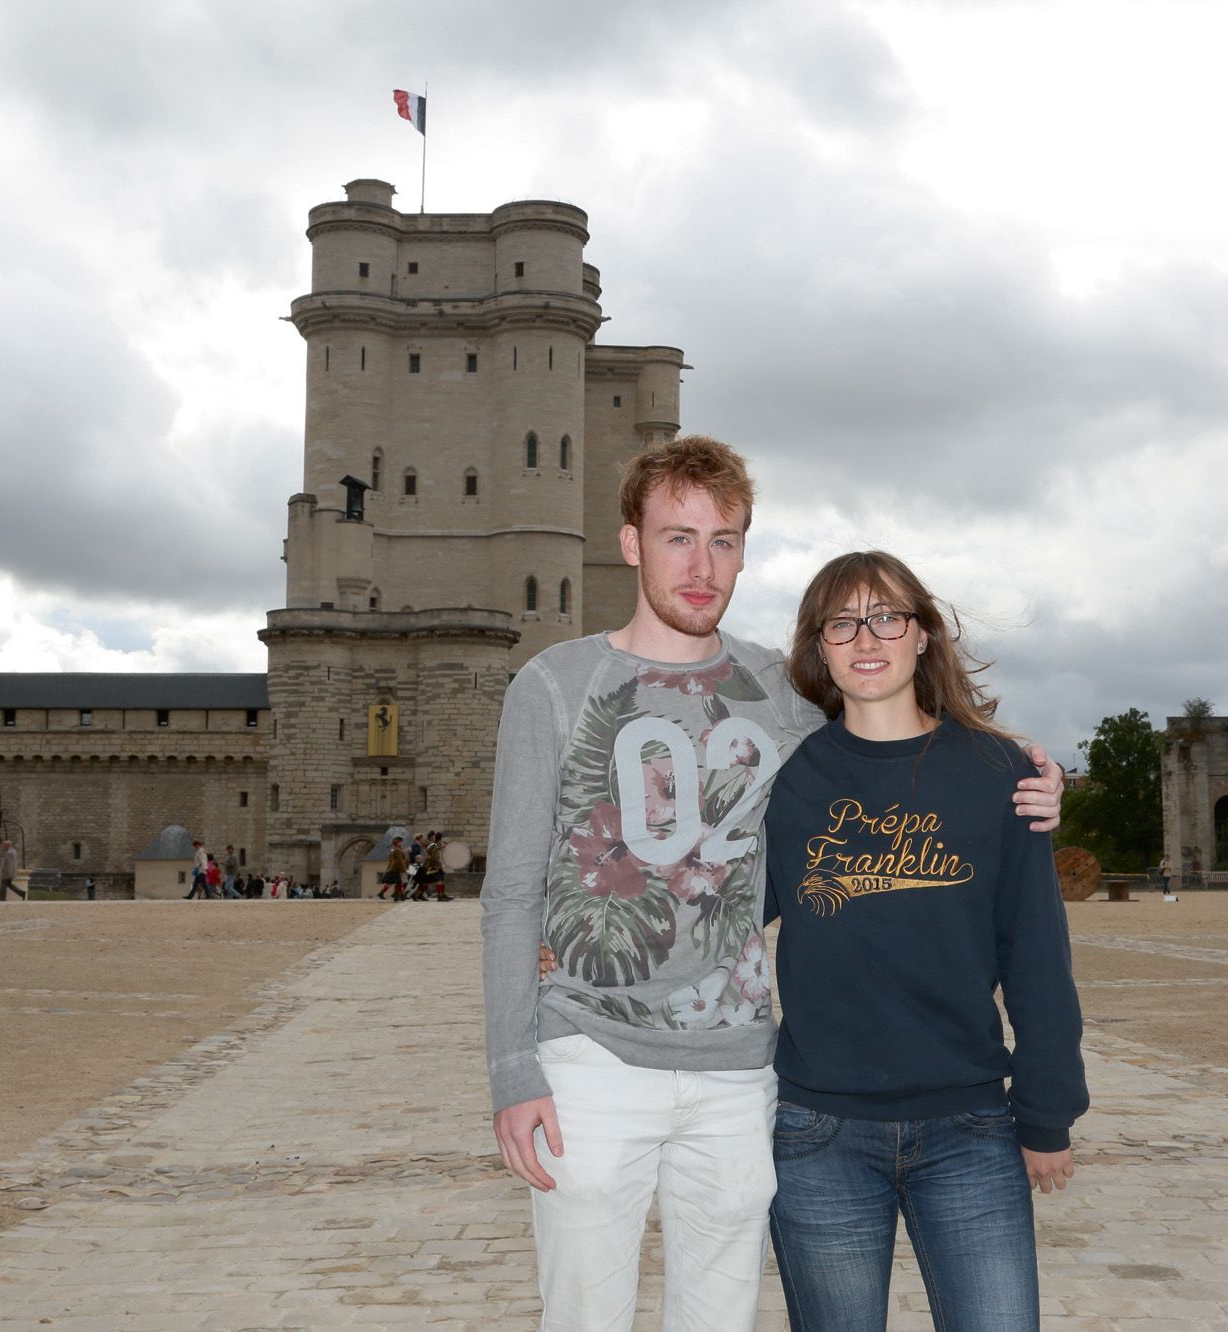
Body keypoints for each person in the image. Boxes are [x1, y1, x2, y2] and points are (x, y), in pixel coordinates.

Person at [481, 436, 1065, 1332]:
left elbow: (887, 728)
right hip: (590, 1060)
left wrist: (1021, 765)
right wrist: (513, 1068)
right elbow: (511, 890)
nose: (702, 564)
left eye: (724, 540)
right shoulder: (553, 684)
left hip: (740, 1073)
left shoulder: (778, 694)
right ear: (631, 543)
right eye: (678, 537)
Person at [763, 551, 1086, 1330]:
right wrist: (584, 945)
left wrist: (1047, 1113)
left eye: (888, 616)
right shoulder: (788, 779)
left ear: (922, 636)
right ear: (818, 646)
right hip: (819, 1134)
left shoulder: (997, 770)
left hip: (970, 1127)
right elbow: (714, 913)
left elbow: (1036, 953)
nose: (866, 637)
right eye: (842, 622)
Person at [381, 837, 408, 901]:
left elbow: (391, 858)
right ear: (398, 843)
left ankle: (399, 896)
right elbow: (400, 861)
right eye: (400, 842)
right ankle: (400, 896)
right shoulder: (397, 850)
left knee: (398, 883)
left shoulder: (395, 849)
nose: (401, 843)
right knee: (399, 882)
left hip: (395, 868)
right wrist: (403, 869)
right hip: (397, 868)